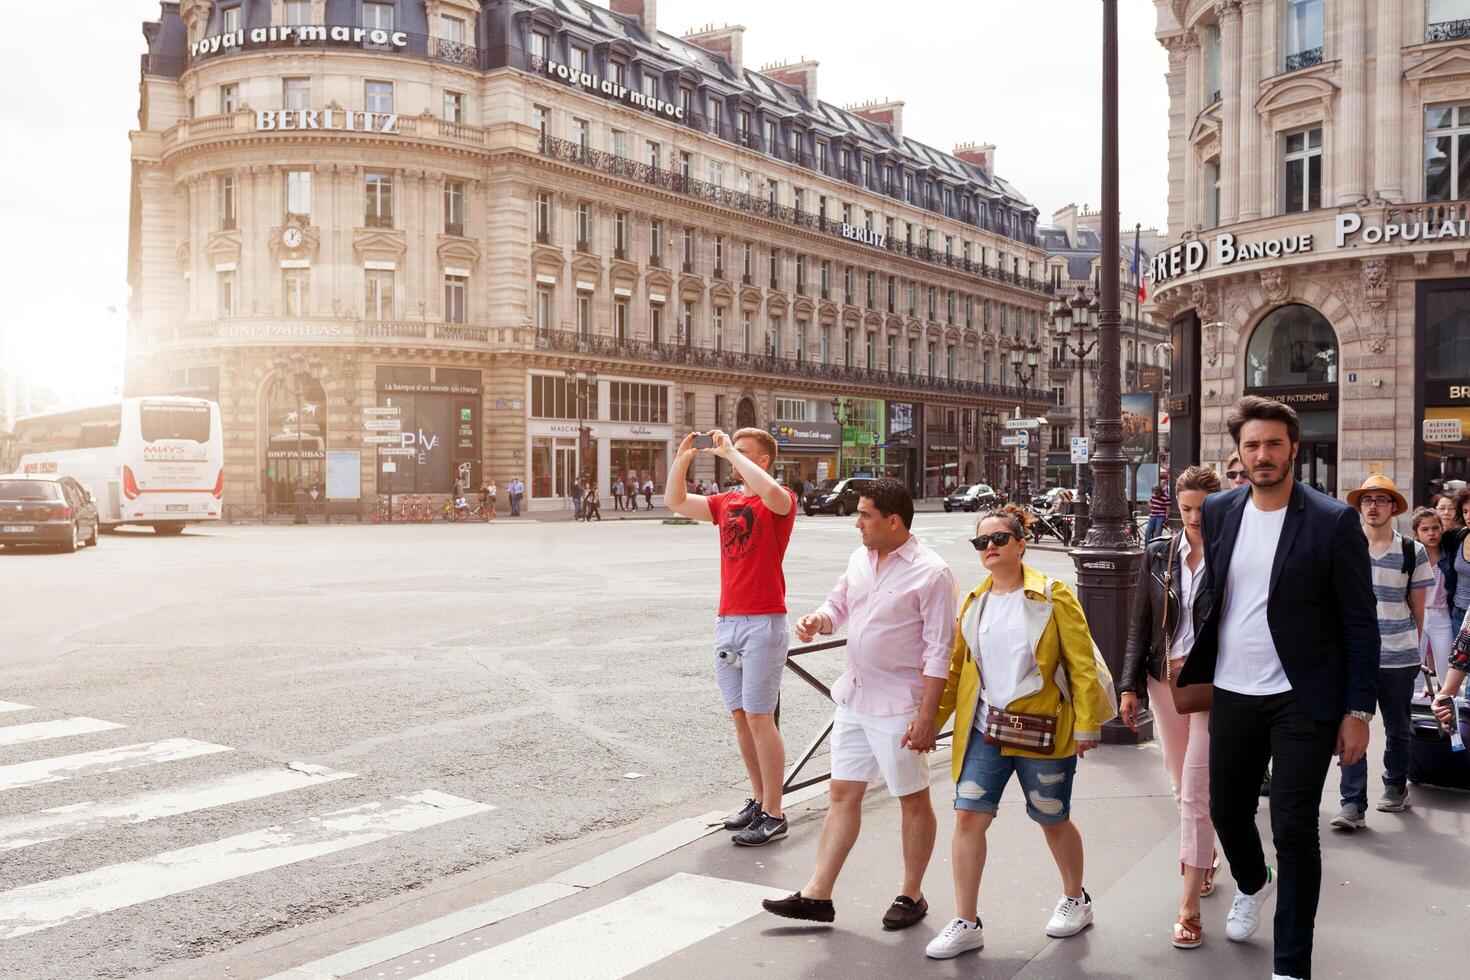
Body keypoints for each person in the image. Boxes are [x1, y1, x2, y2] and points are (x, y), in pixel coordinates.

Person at [1177, 396, 1378, 980]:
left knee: (1293, 827)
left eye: (1272, 444)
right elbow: (1215, 590)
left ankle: (1291, 966)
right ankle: (1250, 880)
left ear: (1293, 448)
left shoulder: (1331, 519)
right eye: (1251, 445)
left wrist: (1358, 709)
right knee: (1226, 809)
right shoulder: (1218, 510)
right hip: (1234, 692)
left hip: (1303, 696)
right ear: (1237, 453)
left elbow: (1359, 621)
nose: (1261, 455)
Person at [761, 479, 956, 930]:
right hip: (854, 696)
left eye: (865, 515)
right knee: (842, 793)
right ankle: (818, 894)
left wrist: (927, 716)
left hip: (899, 705)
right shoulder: (860, 558)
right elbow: (840, 602)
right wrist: (819, 619)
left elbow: (938, 648)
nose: (857, 522)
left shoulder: (932, 572)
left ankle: (912, 893)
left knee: (912, 798)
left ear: (893, 520)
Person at [924, 505, 1110, 960]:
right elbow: (955, 672)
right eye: (981, 542)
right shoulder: (974, 602)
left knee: (1052, 816)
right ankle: (966, 921)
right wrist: (930, 720)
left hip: (1043, 729)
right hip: (987, 729)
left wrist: (1087, 724)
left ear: (1021, 543)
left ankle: (1075, 898)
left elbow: (1081, 663)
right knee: (968, 816)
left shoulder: (1052, 594)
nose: (989, 547)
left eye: (998, 539)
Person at [667, 428, 798, 846]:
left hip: (764, 619)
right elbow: (675, 502)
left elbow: (772, 491)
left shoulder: (780, 500)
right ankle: (760, 800)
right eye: (732, 450)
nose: (731, 456)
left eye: (743, 452)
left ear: (762, 461)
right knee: (741, 716)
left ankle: (775, 813)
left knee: (761, 717)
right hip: (729, 620)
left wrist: (729, 454)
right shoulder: (728, 502)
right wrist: (683, 459)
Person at [1120, 465, 1221, 950]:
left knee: (1197, 787)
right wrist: (1128, 684)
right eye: (1186, 509)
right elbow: (1140, 622)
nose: (1195, 517)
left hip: (1212, 683)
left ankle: (1188, 905)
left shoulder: (1231, 552)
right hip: (1163, 679)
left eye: (1203, 508)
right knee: (1183, 786)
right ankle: (1207, 856)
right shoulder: (1159, 552)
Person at [1330, 476, 1430, 829]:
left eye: (1381, 500)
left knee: (1397, 726)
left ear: (1393, 507)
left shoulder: (1411, 550)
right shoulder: (1345, 546)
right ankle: (1353, 803)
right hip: (1354, 657)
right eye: (1367, 499)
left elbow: (1419, 610)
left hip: (1398, 656)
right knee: (1351, 724)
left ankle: (1395, 784)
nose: (1373, 506)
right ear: (1359, 507)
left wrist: (1412, 650)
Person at [1411, 507, 1455, 683]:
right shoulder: (1411, 556)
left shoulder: (1449, 556)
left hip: (1441, 615)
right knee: (1414, 671)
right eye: (1425, 529)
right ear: (1416, 534)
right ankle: (1411, 708)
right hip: (1416, 615)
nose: (1431, 533)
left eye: (1436, 527)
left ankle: (1447, 707)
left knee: (1447, 670)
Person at [1146, 475, 1171, 541]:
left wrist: (1166, 518)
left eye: (1157, 493)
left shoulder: (1166, 497)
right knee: (1147, 533)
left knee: (1157, 535)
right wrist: (1151, 505)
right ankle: (1147, 549)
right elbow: (1149, 502)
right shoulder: (1153, 496)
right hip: (1152, 516)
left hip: (1160, 517)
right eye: (1154, 493)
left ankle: (1155, 549)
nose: (1155, 495)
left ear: (1160, 492)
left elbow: (1168, 509)